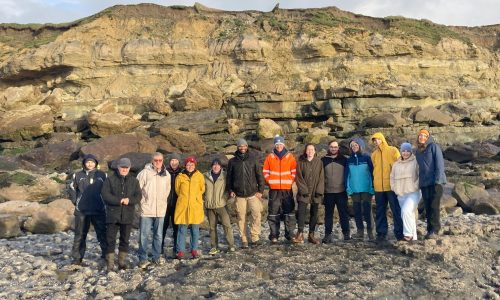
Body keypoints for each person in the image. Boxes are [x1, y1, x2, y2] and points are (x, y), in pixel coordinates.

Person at [101, 157, 141, 272]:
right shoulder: (110, 179)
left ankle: (122, 262)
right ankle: (110, 264)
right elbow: (105, 195)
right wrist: (118, 200)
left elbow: (138, 196)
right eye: (122, 167)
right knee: (110, 239)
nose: (124, 169)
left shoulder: (134, 181)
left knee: (125, 239)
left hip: (127, 215)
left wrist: (130, 200)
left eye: (126, 167)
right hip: (112, 215)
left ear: (129, 168)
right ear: (118, 167)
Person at [226, 138, 265, 248]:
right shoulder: (232, 162)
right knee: (241, 217)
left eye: (244, 146)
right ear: (237, 147)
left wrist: (260, 191)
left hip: (253, 193)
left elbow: (260, 176)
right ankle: (244, 239)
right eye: (240, 146)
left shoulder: (253, 159)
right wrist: (230, 190)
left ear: (247, 147)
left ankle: (255, 237)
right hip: (239, 195)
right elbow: (229, 178)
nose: (242, 148)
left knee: (257, 214)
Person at [69, 154, 107, 265]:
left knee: (102, 233)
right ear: (84, 163)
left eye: (92, 162)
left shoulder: (102, 175)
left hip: (98, 209)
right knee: (80, 234)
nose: (90, 164)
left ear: (96, 163)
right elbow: (71, 188)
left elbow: (108, 189)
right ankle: (77, 258)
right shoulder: (77, 175)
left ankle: (105, 255)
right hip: (82, 210)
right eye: (88, 162)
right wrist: (76, 201)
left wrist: (104, 202)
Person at [136, 152, 171, 268]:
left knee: (158, 235)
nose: (158, 162)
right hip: (146, 210)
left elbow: (167, 191)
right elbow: (137, 190)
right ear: (152, 161)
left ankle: (156, 257)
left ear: (163, 161)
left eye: (160, 160)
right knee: (143, 235)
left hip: (160, 210)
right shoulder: (144, 173)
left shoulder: (167, 174)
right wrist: (142, 203)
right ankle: (142, 258)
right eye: (156, 160)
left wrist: (162, 203)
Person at [263, 135, 297, 244]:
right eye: (277, 144)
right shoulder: (270, 157)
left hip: (287, 189)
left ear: (283, 144)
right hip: (274, 189)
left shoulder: (290, 157)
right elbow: (265, 172)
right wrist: (270, 181)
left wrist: (290, 181)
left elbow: (294, 171)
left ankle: (290, 235)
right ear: (275, 145)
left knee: (289, 212)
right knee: (273, 212)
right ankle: (274, 235)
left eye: (280, 144)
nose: (279, 146)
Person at [371, 132, 404, 241]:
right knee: (380, 211)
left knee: (396, 210)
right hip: (379, 188)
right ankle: (381, 233)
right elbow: (374, 171)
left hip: (391, 187)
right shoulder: (374, 154)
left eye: (377, 139)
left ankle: (399, 233)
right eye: (374, 140)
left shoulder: (393, 150)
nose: (376, 142)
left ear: (382, 139)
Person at [415, 129, 447, 239]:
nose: (422, 137)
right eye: (420, 135)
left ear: (428, 137)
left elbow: (439, 164)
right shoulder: (418, 151)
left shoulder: (433, 147)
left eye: (424, 136)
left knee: (434, 206)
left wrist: (438, 180)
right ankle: (429, 230)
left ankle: (436, 230)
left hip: (435, 182)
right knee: (427, 207)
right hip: (424, 183)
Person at [293, 143, 324, 244]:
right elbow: (298, 177)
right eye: (308, 149)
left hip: (315, 192)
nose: (310, 151)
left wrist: (319, 191)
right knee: (301, 213)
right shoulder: (301, 162)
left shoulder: (319, 162)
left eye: (312, 149)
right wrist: (304, 190)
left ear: (315, 151)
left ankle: (311, 234)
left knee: (314, 213)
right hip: (304, 193)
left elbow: (321, 177)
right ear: (305, 151)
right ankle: (300, 233)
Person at [174, 156, 205, 259]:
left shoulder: (199, 176)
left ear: (195, 165)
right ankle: (181, 251)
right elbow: (178, 190)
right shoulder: (180, 177)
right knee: (182, 229)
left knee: (195, 230)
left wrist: (195, 198)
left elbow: (202, 189)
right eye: (188, 164)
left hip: (195, 206)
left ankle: (194, 250)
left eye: (192, 164)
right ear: (185, 165)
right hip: (183, 206)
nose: (190, 166)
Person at [321, 140, 350, 243]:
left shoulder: (344, 160)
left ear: (338, 148)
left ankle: (346, 233)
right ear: (329, 147)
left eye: (335, 147)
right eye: (332, 147)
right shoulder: (323, 160)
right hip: (328, 192)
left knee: (343, 214)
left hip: (341, 191)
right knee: (328, 214)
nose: (334, 148)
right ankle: (327, 235)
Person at [345, 138, 375, 240]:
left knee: (367, 210)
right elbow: (347, 175)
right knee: (357, 211)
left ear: (360, 146)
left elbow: (372, 173)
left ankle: (371, 233)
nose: (354, 147)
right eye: (352, 146)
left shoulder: (367, 158)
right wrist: (348, 188)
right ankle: (360, 233)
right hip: (354, 190)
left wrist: (372, 188)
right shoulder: (349, 160)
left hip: (366, 189)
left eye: (356, 145)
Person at [204, 158, 235, 254]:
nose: (216, 166)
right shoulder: (205, 176)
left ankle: (231, 245)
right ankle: (214, 247)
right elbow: (201, 189)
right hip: (209, 206)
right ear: (211, 166)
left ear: (220, 166)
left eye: (218, 164)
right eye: (214, 164)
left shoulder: (225, 176)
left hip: (221, 205)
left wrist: (225, 198)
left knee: (226, 225)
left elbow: (229, 188)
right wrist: (204, 199)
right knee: (212, 227)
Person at [390, 143, 420, 241]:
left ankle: (407, 234)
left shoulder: (415, 161)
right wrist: (394, 188)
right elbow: (392, 177)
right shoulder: (396, 164)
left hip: (413, 193)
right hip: (400, 194)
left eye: (407, 151)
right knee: (409, 215)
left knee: (405, 211)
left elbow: (420, 175)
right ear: (401, 152)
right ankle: (414, 238)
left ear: (411, 152)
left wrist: (415, 186)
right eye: (403, 151)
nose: (405, 153)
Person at [161, 153, 182, 257]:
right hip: (165, 204)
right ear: (169, 162)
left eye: (176, 160)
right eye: (172, 160)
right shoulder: (164, 172)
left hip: (177, 205)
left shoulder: (182, 173)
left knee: (176, 228)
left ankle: (176, 248)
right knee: (162, 227)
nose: (174, 162)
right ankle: (159, 247)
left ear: (179, 162)